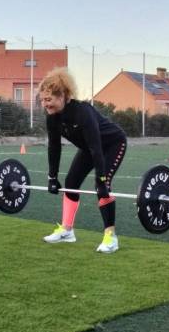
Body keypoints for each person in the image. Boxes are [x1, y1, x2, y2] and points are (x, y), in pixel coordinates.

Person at [39, 67, 127, 253]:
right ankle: (67, 231)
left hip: (112, 144)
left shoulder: (82, 112)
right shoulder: (52, 118)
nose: (45, 104)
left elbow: (96, 148)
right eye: (42, 100)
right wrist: (52, 177)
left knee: (102, 186)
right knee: (71, 183)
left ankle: (111, 237)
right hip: (89, 148)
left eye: (49, 100)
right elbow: (54, 147)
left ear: (62, 96)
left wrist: (102, 179)